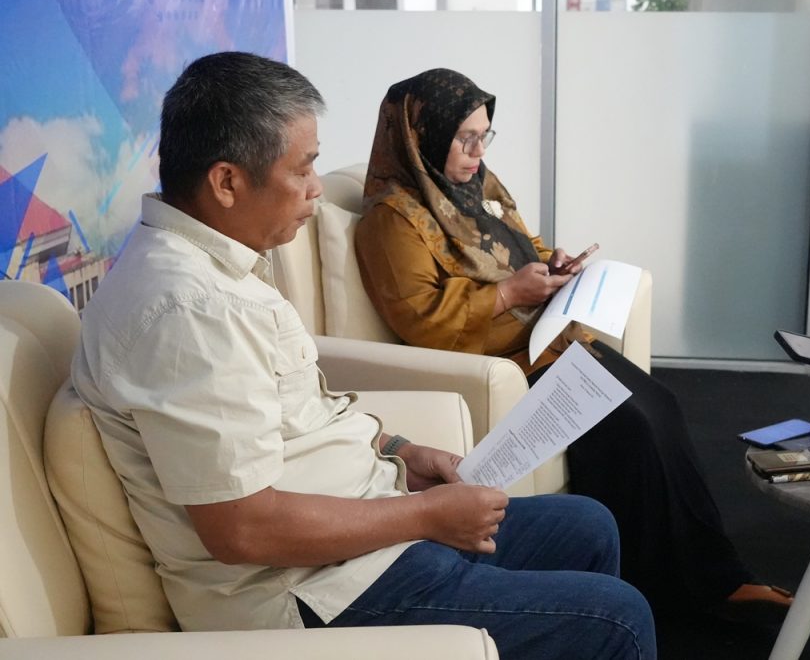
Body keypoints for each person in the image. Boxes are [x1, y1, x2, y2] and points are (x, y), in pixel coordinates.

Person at [70, 52, 657, 660]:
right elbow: (241, 529)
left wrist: (400, 451)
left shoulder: (219, 267)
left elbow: (293, 417)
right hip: (311, 592)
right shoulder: (189, 311)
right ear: (227, 182)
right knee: (619, 619)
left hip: (363, 529)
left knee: (589, 525)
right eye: (303, 168)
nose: (317, 188)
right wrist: (426, 516)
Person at [353, 68, 794, 626]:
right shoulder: (392, 220)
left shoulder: (476, 184)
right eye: (464, 138)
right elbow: (421, 320)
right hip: (503, 363)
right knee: (631, 428)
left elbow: (522, 244)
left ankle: (717, 574)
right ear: (424, 137)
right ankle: (671, 589)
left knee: (661, 405)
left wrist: (552, 264)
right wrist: (510, 292)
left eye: (485, 135)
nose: (478, 152)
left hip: (548, 343)